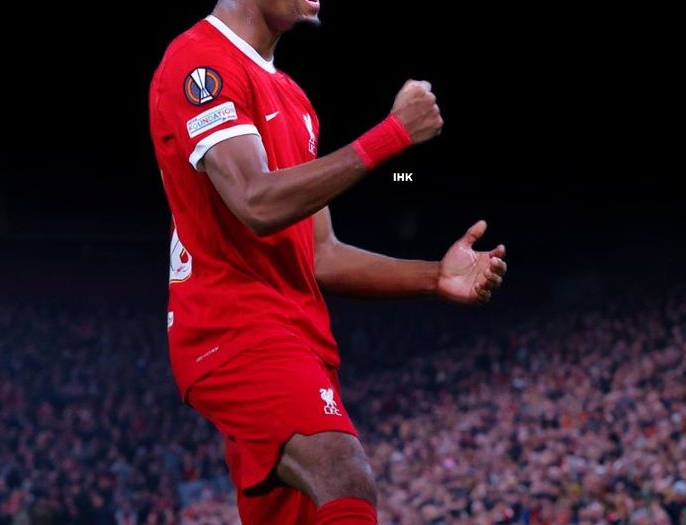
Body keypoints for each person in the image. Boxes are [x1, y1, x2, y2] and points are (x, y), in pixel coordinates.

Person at [149, 0, 507, 523]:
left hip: (300, 336)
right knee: (344, 474)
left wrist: (434, 276)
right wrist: (392, 134)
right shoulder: (201, 61)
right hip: (236, 328)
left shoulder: (295, 100)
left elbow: (321, 255)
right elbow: (255, 201)